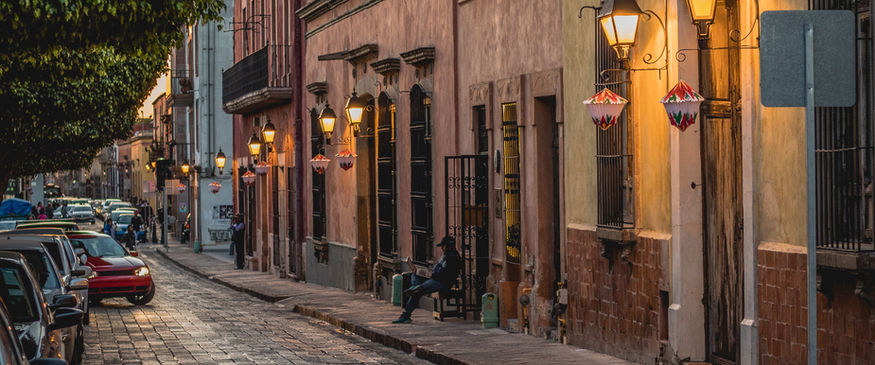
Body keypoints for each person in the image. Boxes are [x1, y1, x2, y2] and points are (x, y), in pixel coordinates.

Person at [392, 236, 462, 324]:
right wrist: (428, 273)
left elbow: (446, 274)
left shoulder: (452, 257)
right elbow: (438, 269)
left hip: (441, 282)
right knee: (414, 274)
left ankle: (406, 314)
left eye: (443, 246)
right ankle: (415, 287)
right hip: (434, 278)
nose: (441, 248)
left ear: (447, 246)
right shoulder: (445, 255)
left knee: (417, 292)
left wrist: (432, 275)